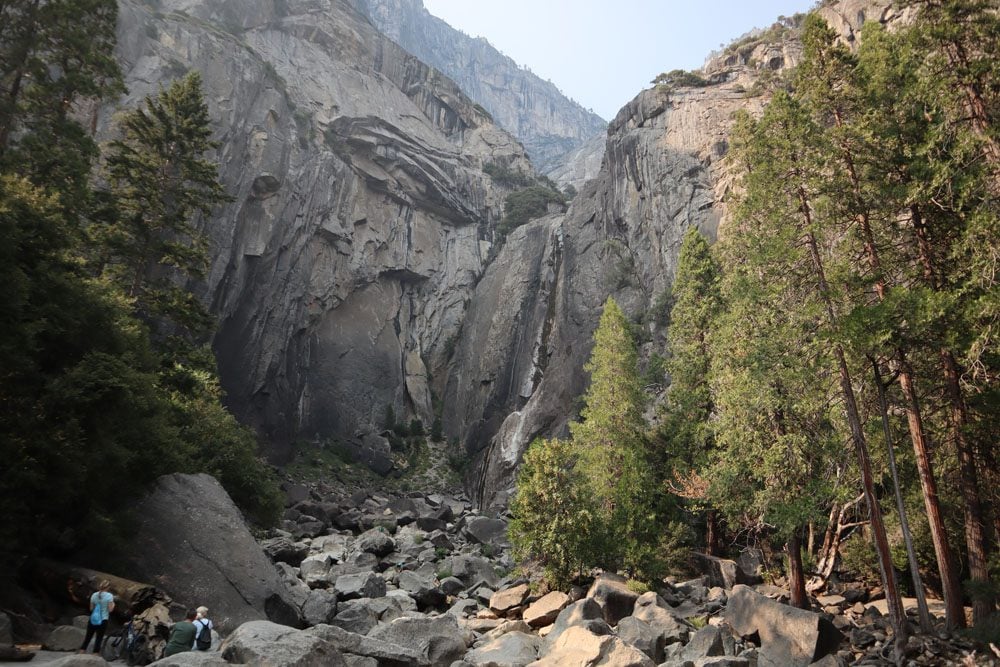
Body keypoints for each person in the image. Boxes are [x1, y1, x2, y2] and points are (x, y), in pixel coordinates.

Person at [78, 580, 115, 654]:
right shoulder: (109, 596)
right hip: (103, 620)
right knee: (98, 640)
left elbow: (91, 609)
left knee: (87, 639)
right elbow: (110, 610)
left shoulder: (94, 595)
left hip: (93, 619)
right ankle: (95, 659)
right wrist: (113, 605)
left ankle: (80, 655)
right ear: (108, 587)